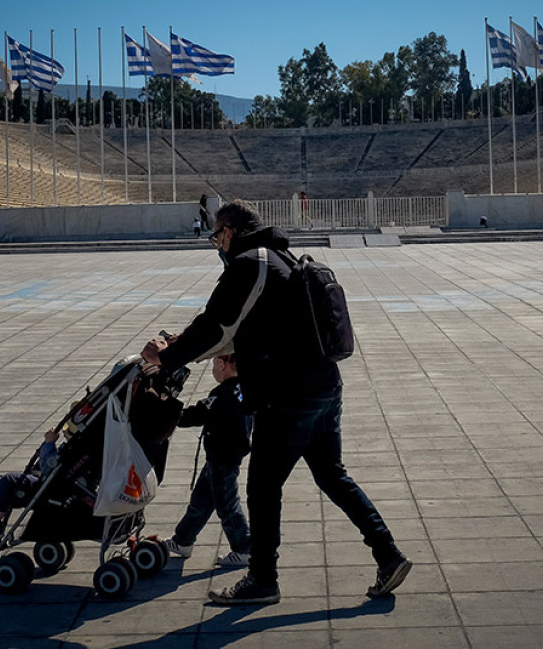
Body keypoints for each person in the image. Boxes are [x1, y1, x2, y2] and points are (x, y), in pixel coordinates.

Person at [141, 200, 411, 606]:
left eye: (216, 236)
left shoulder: (250, 263)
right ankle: (388, 555)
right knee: (332, 475)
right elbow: (247, 327)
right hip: (323, 386)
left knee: (263, 487)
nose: (216, 245)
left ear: (229, 231)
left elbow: (217, 324)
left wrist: (165, 357)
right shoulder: (279, 257)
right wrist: (188, 346)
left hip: (288, 396)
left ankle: (263, 580)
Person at [162, 353, 253, 568]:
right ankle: (182, 540)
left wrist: (169, 413)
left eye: (214, 364)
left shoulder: (222, 394)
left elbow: (196, 414)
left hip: (222, 458)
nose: (213, 369)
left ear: (222, 364)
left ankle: (244, 549)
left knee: (227, 506)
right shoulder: (244, 389)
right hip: (226, 456)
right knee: (201, 501)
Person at [0, 429, 59, 540]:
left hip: (48, 489)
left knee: (7, 481)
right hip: (50, 482)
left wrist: (49, 443)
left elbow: (48, 465)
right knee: (19, 478)